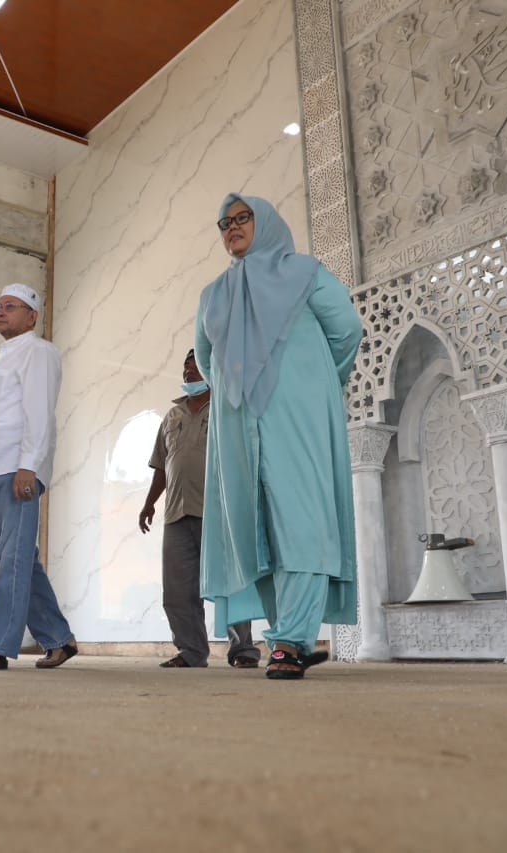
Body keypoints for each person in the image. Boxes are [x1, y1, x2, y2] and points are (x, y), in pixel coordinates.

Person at [194, 193, 362, 680]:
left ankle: (290, 639)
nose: (232, 227)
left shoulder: (305, 273)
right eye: (224, 222)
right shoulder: (213, 294)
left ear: (264, 222)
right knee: (257, 527)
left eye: (242, 218)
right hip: (236, 422)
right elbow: (205, 359)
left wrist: (314, 382)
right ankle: (290, 637)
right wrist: (237, 386)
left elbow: (347, 330)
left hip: (296, 414)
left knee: (301, 518)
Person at [0, 283, 78, 670]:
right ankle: (58, 637)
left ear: (32, 316)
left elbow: (39, 410)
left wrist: (29, 465)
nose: (1, 311)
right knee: (16, 559)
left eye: (11, 306)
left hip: (16, 467)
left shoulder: (38, 352)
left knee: (14, 559)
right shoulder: (5, 356)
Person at [139, 349, 260, 669]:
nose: (189, 372)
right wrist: (149, 503)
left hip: (219, 513)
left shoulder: (226, 409)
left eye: (196, 367)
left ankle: (243, 649)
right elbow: (162, 465)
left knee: (232, 584)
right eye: (185, 367)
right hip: (176, 514)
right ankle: (191, 651)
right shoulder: (172, 416)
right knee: (177, 591)